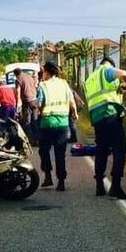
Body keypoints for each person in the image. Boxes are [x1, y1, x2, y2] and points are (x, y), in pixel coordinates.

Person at [84, 57, 126, 199]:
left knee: (102, 150)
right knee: (119, 150)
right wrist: (125, 84)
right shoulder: (106, 71)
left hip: (97, 118)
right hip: (110, 114)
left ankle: (99, 185)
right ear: (110, 64)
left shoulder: (88, 80)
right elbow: (125, 74)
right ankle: (115, 186)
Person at [37, 61, 77, 191]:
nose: (42, 74)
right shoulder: (64, 83)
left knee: (44, 150)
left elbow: (39, 103)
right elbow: (71, 100)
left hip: (47, 123)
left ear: (47, 72)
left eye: (43, 72)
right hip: (62, 123)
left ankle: (48, 176)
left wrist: (36, 107)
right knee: (60, 153)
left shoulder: (43, 85)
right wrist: (75, 113)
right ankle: (61, 182)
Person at [14, 68, 39, 143]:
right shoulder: (29, 76)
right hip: (35, 100)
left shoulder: (18, 79)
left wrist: (17, 104)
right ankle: (37, 139)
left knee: (27, 121)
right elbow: (35, 84)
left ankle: (29, 140)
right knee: (35, 120)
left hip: (27, 101)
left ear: (16, 74)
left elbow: (18, 92)